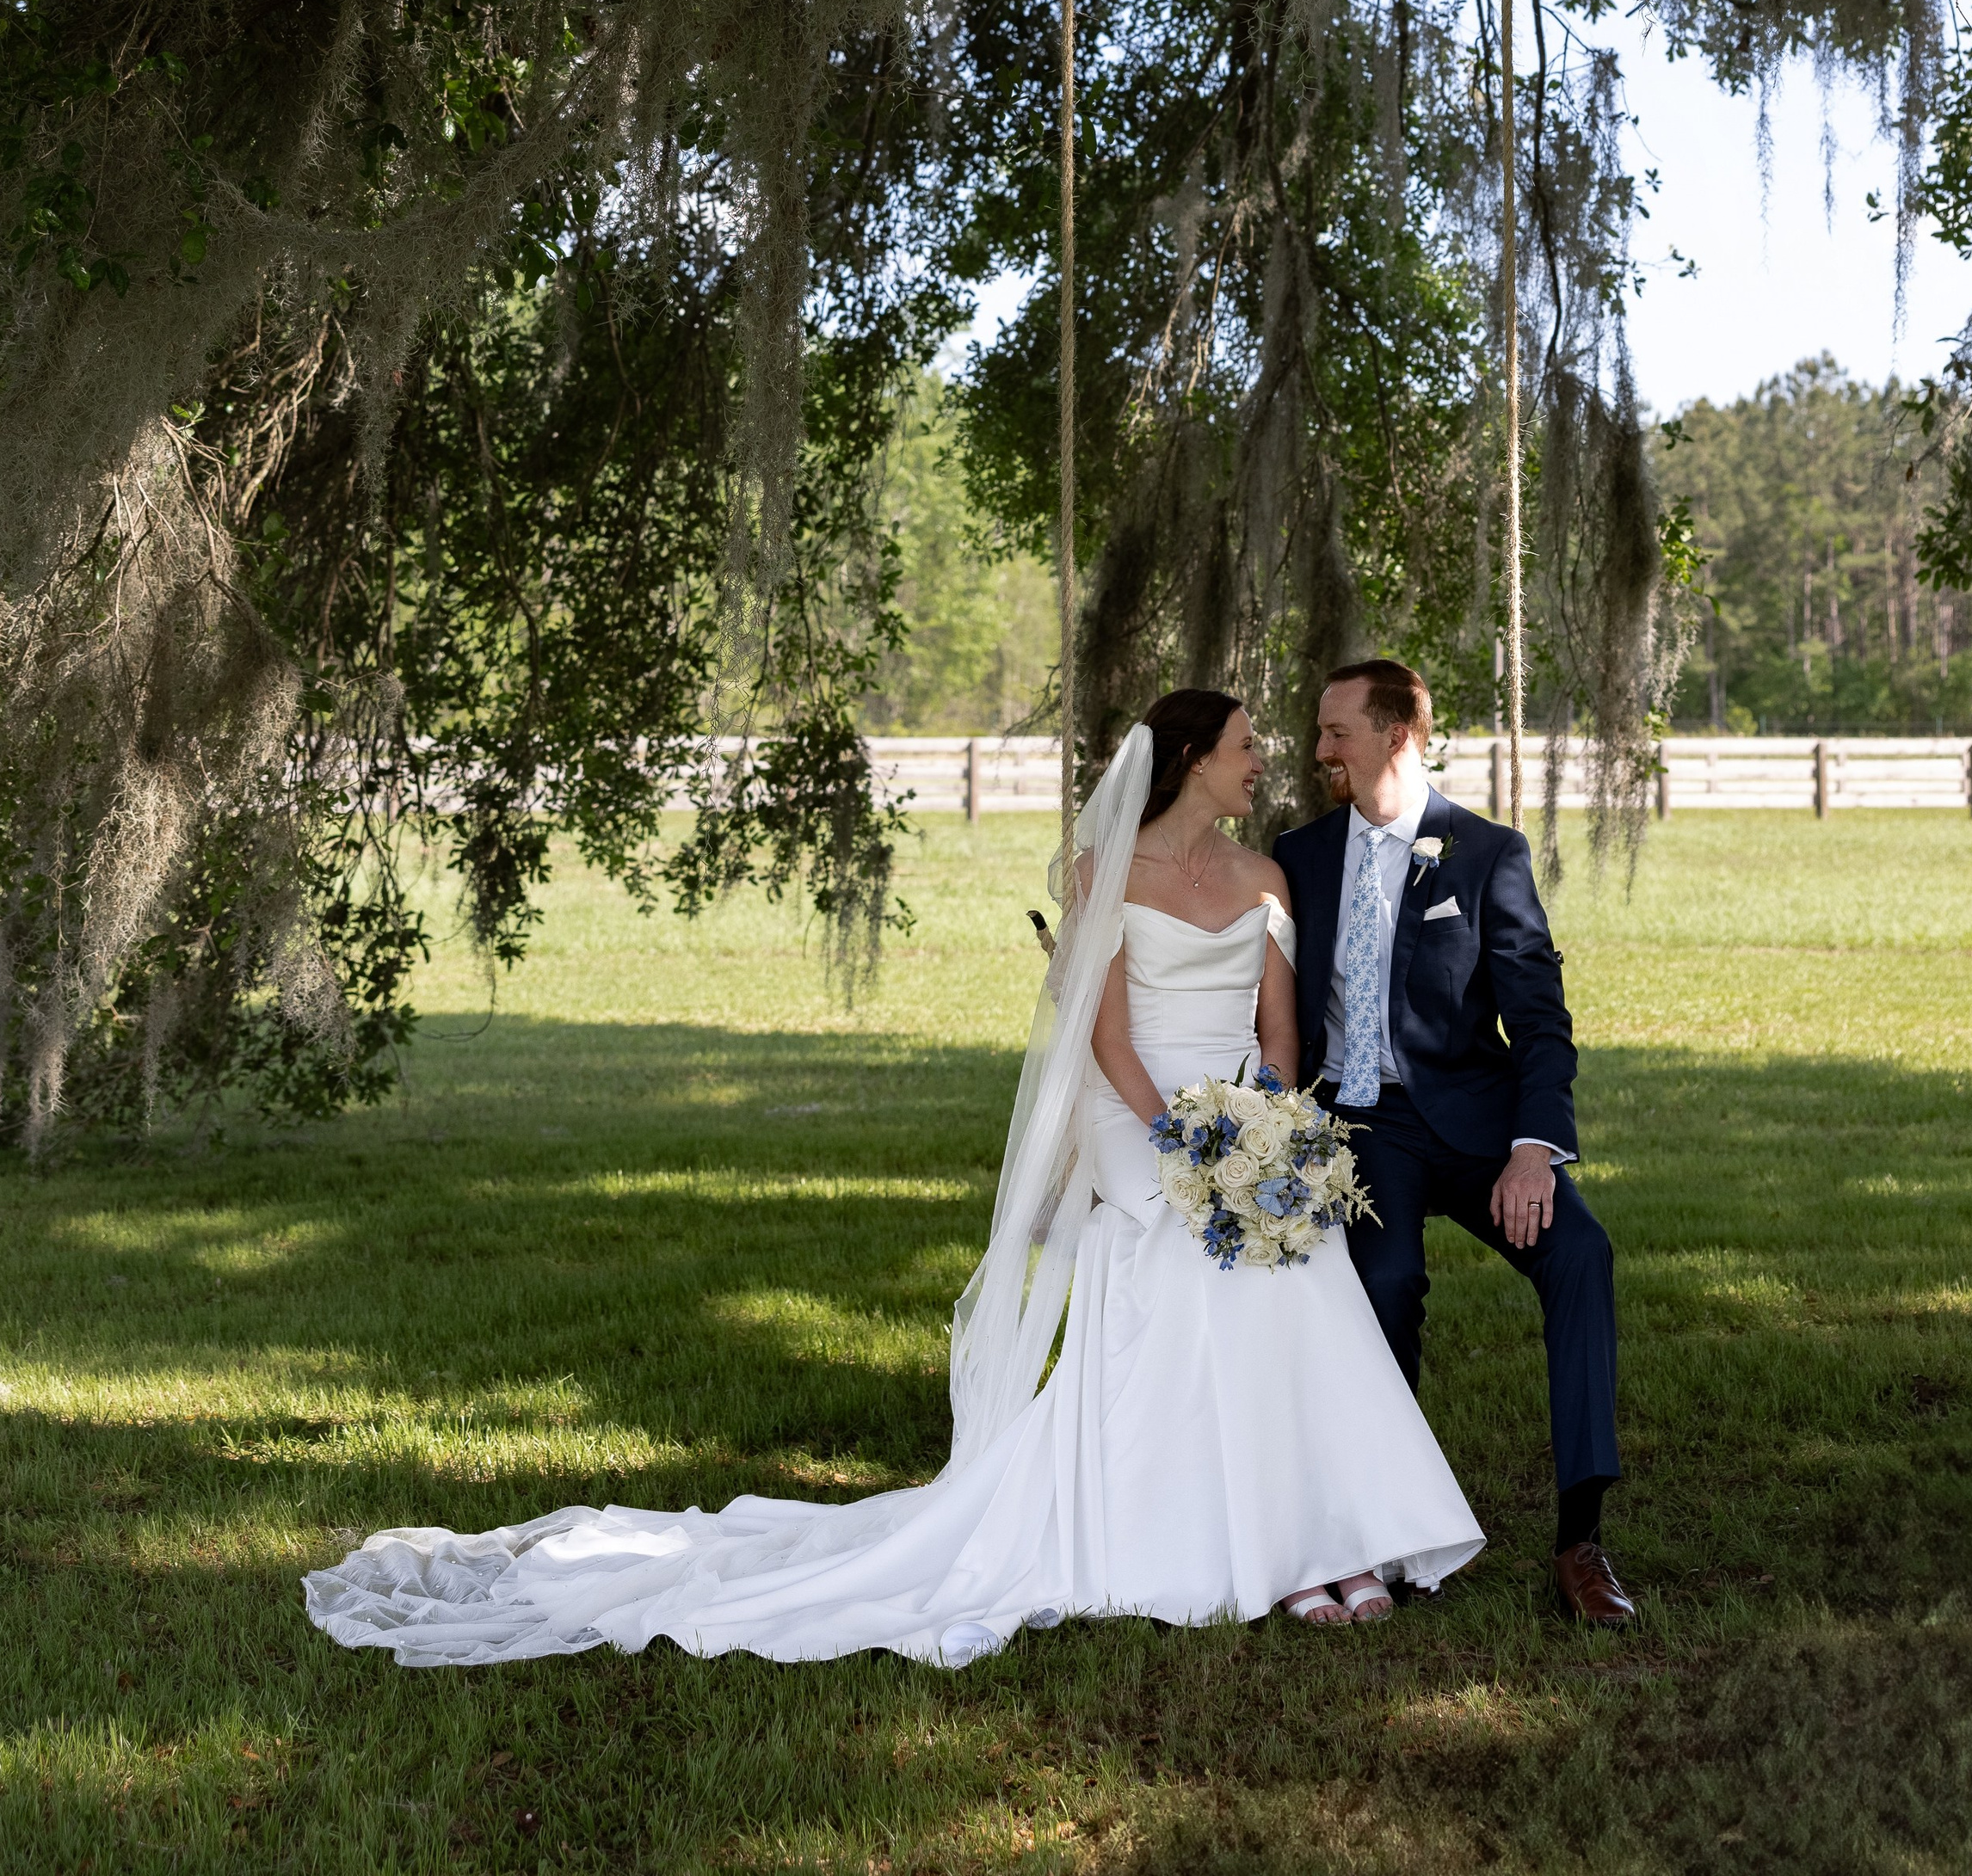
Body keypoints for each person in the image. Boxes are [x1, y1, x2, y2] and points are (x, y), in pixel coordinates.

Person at [302, 690, 1482, 1670]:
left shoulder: (1268, 873)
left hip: (1244, 1103)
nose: (1261, 760)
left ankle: (1329, 1535)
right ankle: (1231, 1535)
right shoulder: (1101, 867)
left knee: (1296, 1249)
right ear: (1188, 759)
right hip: (1138, 1111)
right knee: (1182, 1241)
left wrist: (1263, 1124)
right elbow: (1105, 1037)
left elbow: (1282, 1031)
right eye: (1244, 746)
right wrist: (1186, 1135)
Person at [1273, 659, 1634, 1629]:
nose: (1319, 749)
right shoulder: (1298, 855)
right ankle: (1376, 1527)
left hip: (1479, 1128)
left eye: (1336, 731)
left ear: (1398, 735)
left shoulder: (1486, 853)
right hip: (1359, 1125)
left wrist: (1534, 1148)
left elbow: (1541, 1021)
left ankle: (1579, 1537)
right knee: (1385, 1284)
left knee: (1581, 1254)